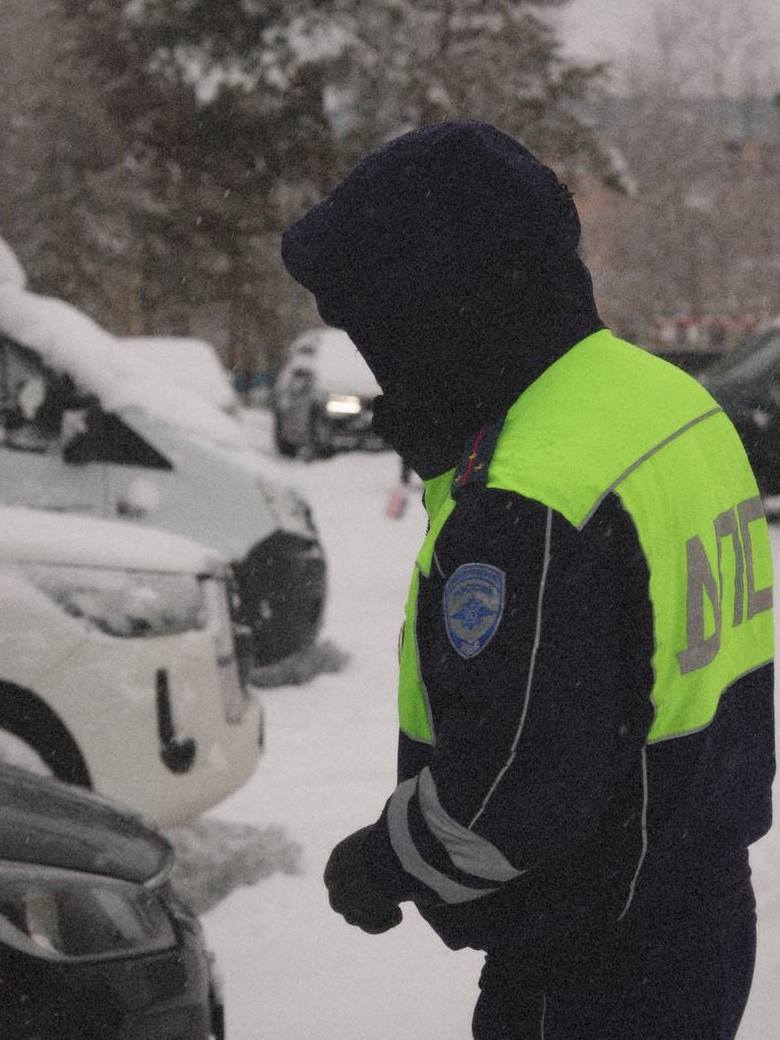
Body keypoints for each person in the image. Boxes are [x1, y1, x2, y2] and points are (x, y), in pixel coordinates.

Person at [281, 121, 775, 1040]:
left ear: (441, 306)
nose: (379, 357)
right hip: (696, 901)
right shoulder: (669, 401)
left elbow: (518, 787)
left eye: (378, 326)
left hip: (592, 963)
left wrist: (383, 862)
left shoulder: (530, 493)